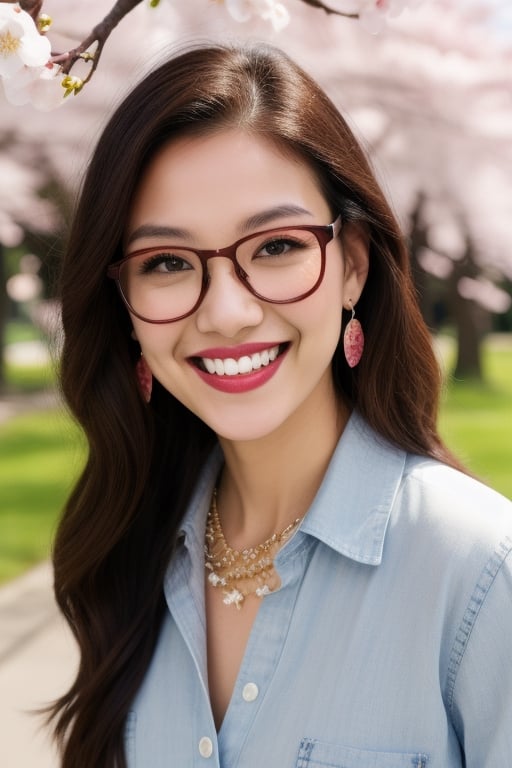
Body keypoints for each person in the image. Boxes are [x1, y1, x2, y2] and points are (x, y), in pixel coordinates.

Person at [50, 42, 512, 768]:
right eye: (167, 263)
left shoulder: (481, 574)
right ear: (125, 304)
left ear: (352, 264)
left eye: (275, 247)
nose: (228, 313)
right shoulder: (129, 558)